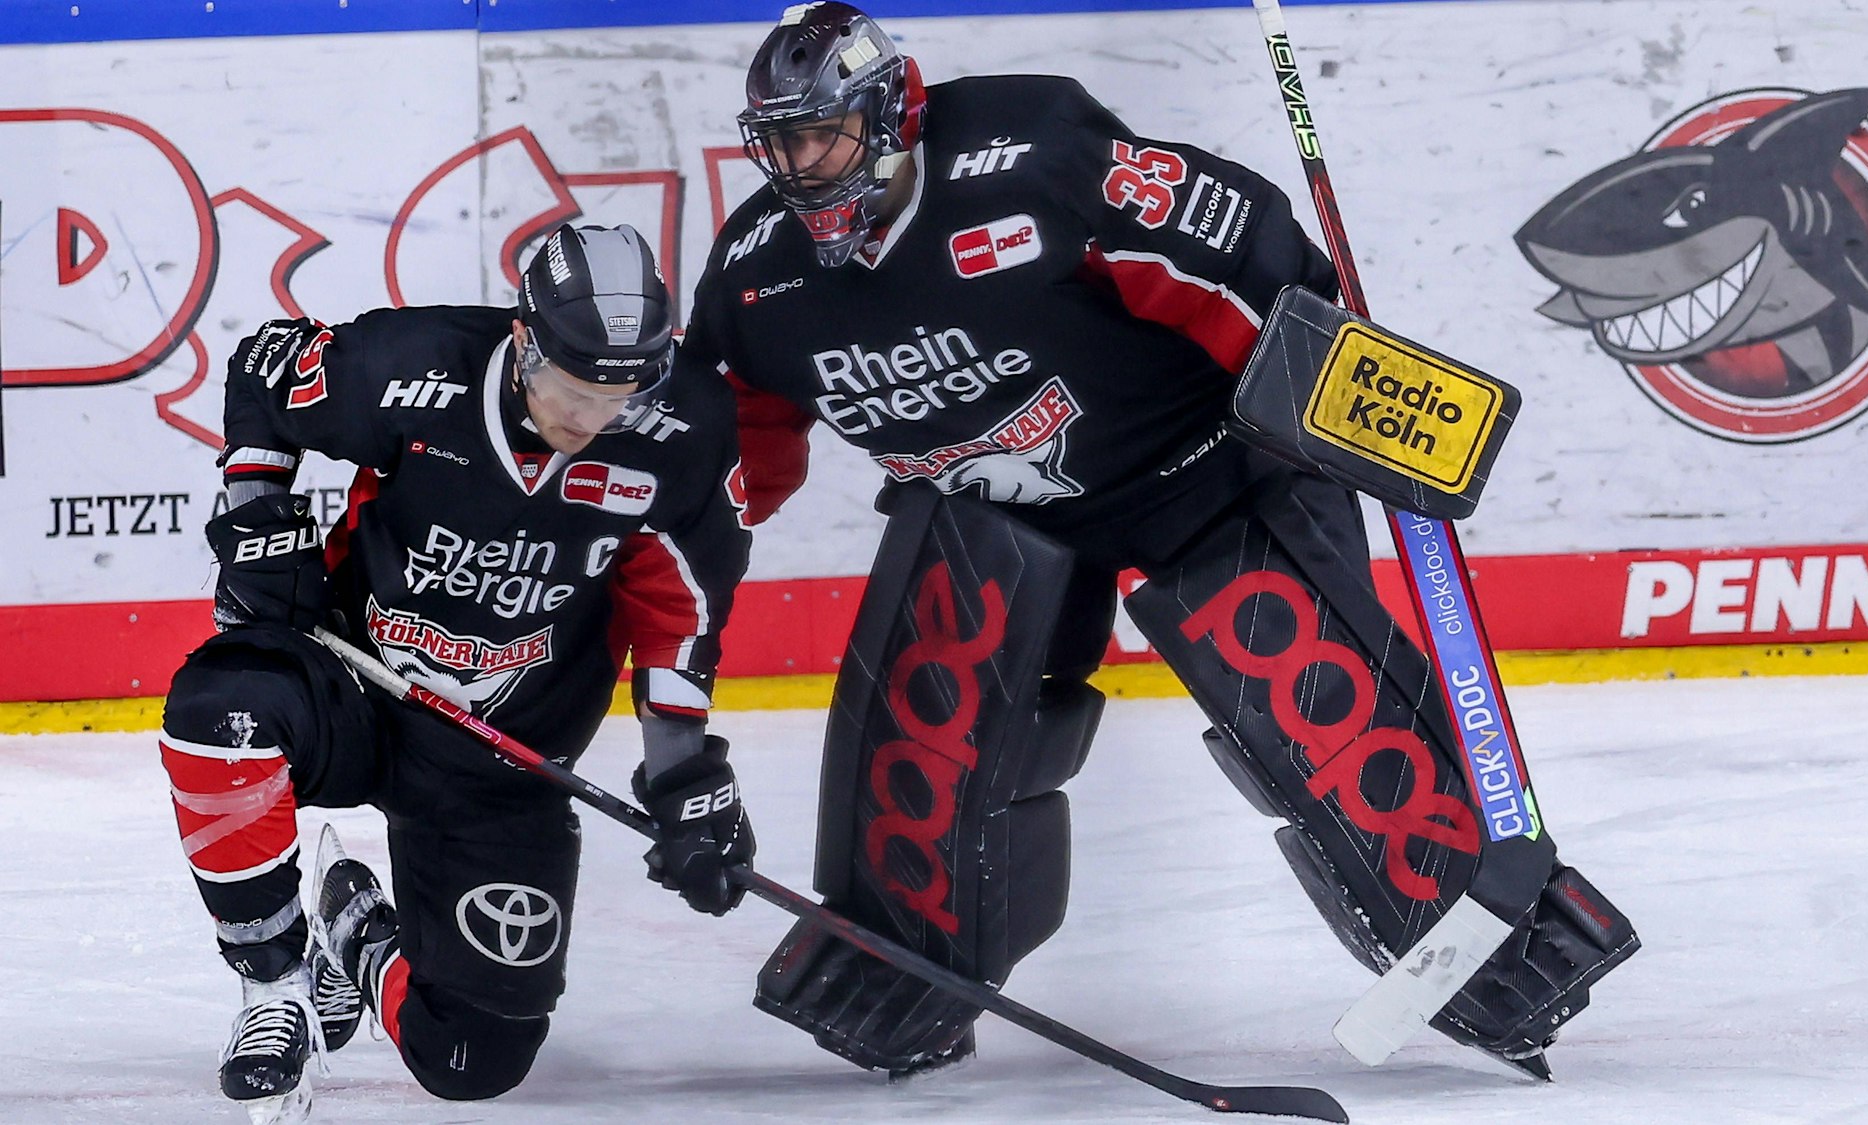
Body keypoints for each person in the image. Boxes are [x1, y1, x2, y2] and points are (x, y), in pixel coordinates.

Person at [679, 2, 1638, 1081]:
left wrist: (1348, 399)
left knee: (1303, 689)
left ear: (894, 114)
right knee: (930, 718)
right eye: (782, 141)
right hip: (991, 513)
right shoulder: (757, 275)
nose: (802, 166)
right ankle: (906, 964)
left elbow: (1255, 258)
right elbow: (722, 457)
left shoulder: (1036, 162)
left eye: (825, 134)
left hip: (1200, 476)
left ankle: (1490, 939)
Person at [158, 223, 755, 1123]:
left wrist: (685, 773)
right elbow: (263, 372)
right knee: (222, 710)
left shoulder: (683, 432)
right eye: (569, 389)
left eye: (618, 398)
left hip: (499, 762)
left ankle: (356, 930)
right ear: (523, 341)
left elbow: (682, 606)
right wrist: (258, 513)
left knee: (471, 1058)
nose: (589, 420)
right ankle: (273, 986)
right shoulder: (412, 364)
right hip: (356, 688)